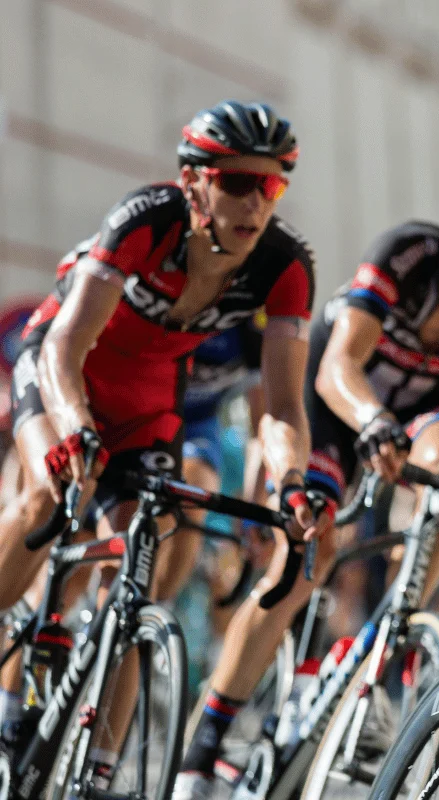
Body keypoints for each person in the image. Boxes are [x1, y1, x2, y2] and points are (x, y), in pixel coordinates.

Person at [172, 157, 439, 800]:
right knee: (306, 557)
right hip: (334, 404)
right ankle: (205, 743)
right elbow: (335, 368)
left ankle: (394, 633)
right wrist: (373, 422)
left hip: (422, 411)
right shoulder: (405, 256)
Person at [0, 100, 331, 789]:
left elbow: (281, 408)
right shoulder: (145, 221)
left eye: (270, 186)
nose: (254, 202)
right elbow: (64, 346)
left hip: (149, 399)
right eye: (236, 182)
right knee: (45, 496)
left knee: (138, 571)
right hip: (67, 373)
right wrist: (73, 427)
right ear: (194, 183)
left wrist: (291, 481)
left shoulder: (284, 266)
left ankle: (98, 770)